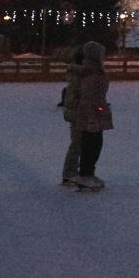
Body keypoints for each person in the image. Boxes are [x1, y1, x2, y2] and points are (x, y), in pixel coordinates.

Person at [70, 41, 113, 189]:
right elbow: (88, 96)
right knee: (90, 144)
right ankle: (85, 175)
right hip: (91, 113)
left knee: (95, 144)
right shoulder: (90, 72)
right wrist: (93, 114)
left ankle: (89, 173)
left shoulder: (95, 70)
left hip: (96, 111)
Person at [60, 45, 88, 185]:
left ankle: (73, 171)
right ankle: (70, 172)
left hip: (78, 111)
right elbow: (74, 96)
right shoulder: (79, 75)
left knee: (80, 143)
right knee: (77, 143)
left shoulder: (79, 73)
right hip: (78, 112)